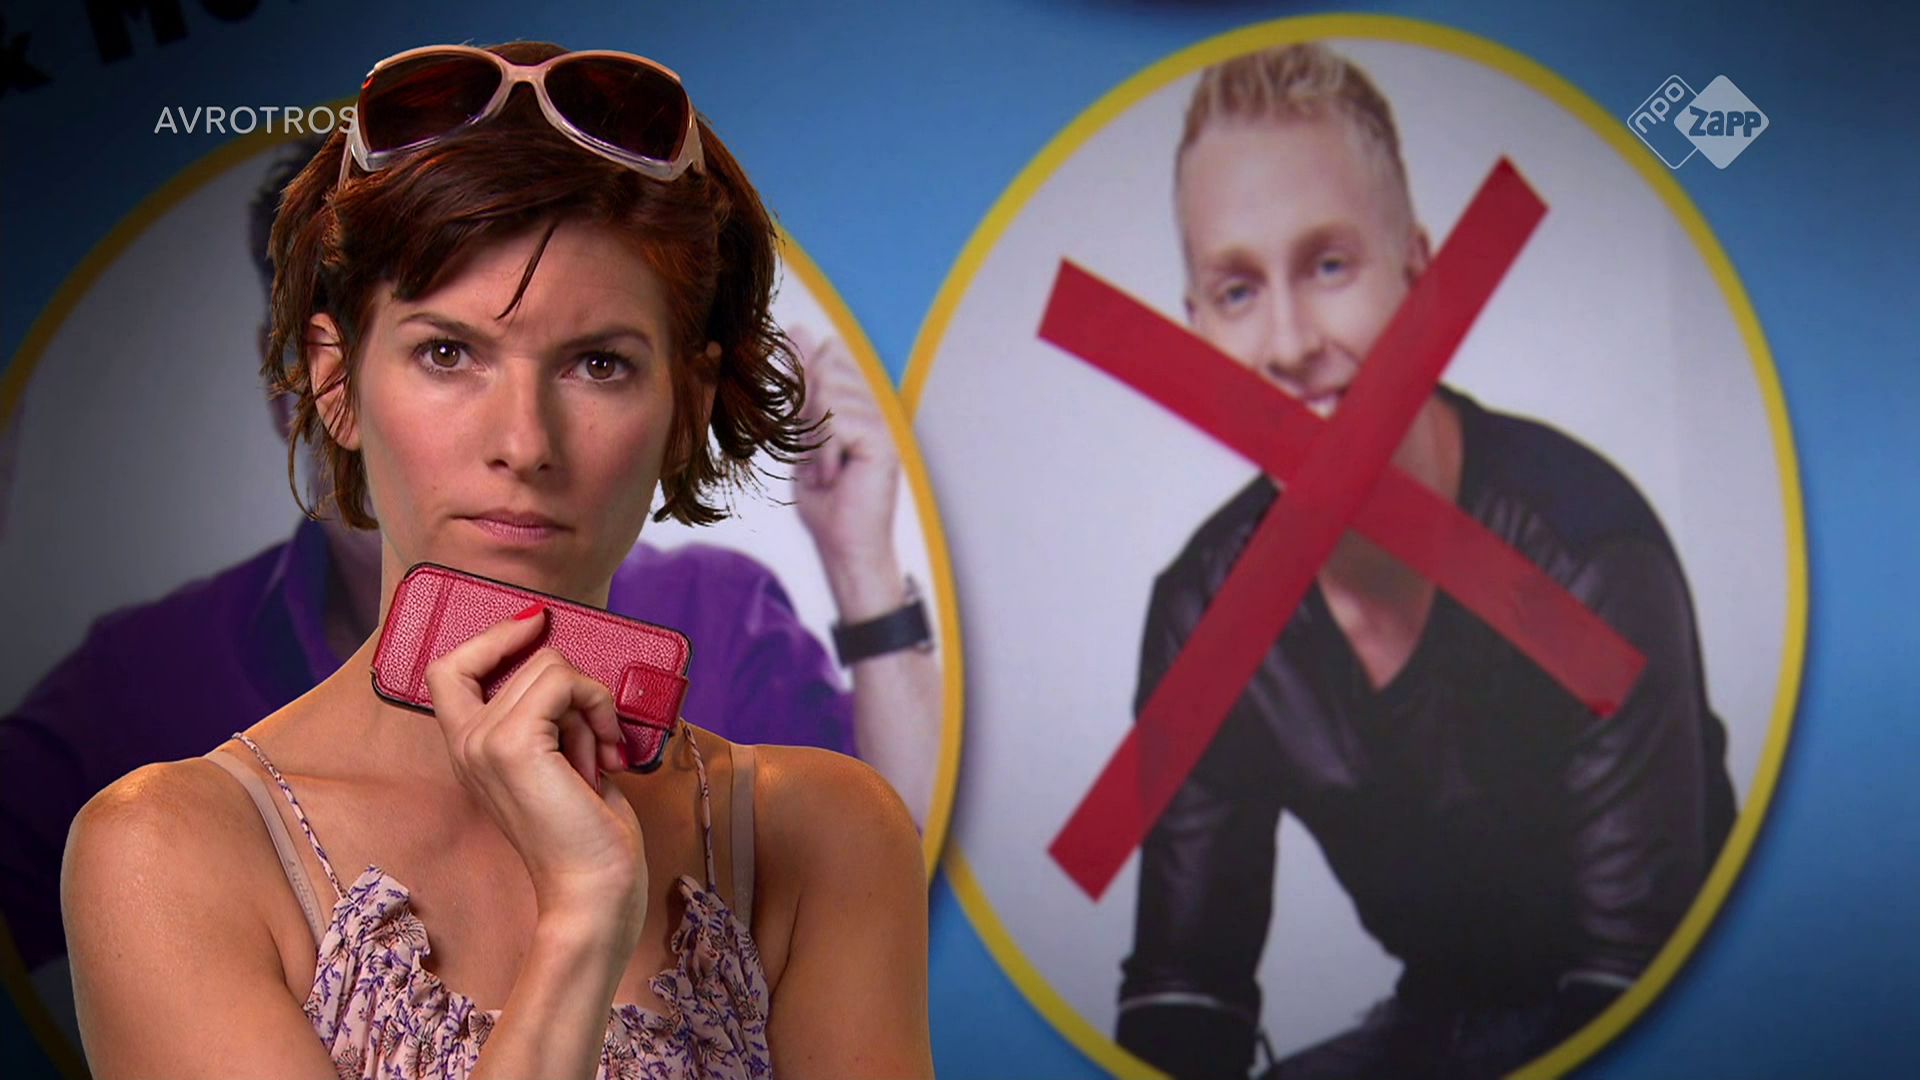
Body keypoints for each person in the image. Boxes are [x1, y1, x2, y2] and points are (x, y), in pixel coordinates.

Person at [57, 40, 931, 1078]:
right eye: (448, 353)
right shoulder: (167, 854)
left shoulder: (823, 840)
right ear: (335, 384)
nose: (524, 442)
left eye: (599, 363)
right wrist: (584, 915)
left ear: (686, 407)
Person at [1112, 44, 1736, 1080]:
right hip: (1439, 1024)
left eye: (1328, 265)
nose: (1288, 344)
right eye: (1236, 290)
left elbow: (1632, 997)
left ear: (1419, 276)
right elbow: (1187, 991)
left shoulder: (1587, 559)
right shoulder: (1203, 615)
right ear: (1195, 332)